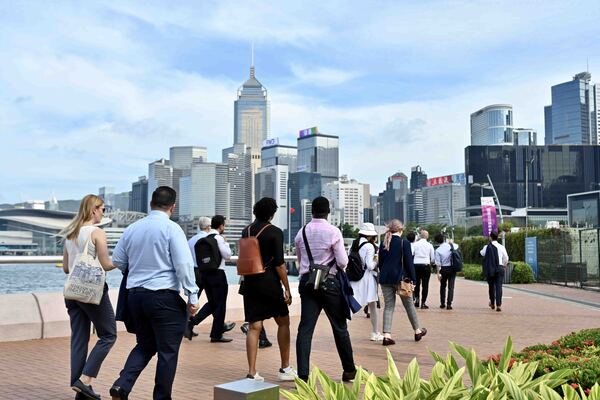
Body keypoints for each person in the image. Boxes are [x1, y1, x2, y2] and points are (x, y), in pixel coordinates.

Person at [109, 186, 200, 400]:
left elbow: (119, 261)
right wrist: (192, 295)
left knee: (145, 344)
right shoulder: (172, 229)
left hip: (135, 297)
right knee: (168, 352)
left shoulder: (132, 228)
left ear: (151, 203)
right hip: (163, 297)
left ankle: (122, 385)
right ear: (172, 206)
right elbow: (183, 265)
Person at [295, 196, 357, 382]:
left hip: (307, 283)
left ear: (312, 211)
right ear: (328, 211)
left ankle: (303, 374)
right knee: (339, 327)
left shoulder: (302, 232)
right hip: (330, 283)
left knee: (305, 329)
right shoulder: (333, 231)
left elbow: (300, 260)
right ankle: (349, 370)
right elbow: (343, 262)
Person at [61, 194, 117, 400]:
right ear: (94, 209)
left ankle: (80, 391)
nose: (104, 212)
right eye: (103, 209)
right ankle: (84, 381)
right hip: (92, 291)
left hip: (72, 293)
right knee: (109, 335)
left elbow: (67, 268)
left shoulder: (70, 233)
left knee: (79, 339)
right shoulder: (97, 232)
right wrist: (123, 260)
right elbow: (107, 265)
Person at [241, 197, 296, 382]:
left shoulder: (246, 230)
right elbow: (280, 264)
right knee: (283, 322)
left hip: (249, 283)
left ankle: (252, 372)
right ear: (272, 213)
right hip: (269, 283)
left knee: (254, 327)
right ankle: (285, 367)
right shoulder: (275, 232)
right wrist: (287, 288)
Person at [184, 216, 235, 341]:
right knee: (220, 305)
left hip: (205, 274)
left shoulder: (204, 239)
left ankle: (193, 322)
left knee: (213, 303)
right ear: (221, 226)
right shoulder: (218, 238)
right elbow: (227, 255)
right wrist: (226, 243)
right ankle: (215, 335)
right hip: (218, 274)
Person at [378, 219, 427, 346]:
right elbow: (409, 263)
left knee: (389, 306)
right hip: (401, 279)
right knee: (409, 305)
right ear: (400, 230)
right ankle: (417, 331)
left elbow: (380, 263)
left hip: (385, 279)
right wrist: (413, 279)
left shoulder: (384, 243)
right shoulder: (404, 243)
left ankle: (387, 336)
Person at [348, 222, 382, 341]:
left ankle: (343, 330)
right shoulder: (369, 246)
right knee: (372, 305)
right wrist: (376, 260)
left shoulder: (354, 244)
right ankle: (374, 332)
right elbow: (370, 266)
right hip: (366, 279)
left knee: (351, 304)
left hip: (355, 278)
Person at [480, 231, 509, 312]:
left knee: (491, 286)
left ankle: (492, 303)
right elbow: (506, 258)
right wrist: (504, 265)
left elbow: (481, 253)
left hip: (490, 268)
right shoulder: (501, 247)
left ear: (490, 237)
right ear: (497, 237)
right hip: (500, 268)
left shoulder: (487, 247)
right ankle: (499, 304)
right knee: (499, 286)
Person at [412, 230, 435, 309]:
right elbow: (433, 258)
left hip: (416, 265)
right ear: (427, 236)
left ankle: (417, 301)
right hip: (425, 265)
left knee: (416, 284)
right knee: (425, 285)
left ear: (420, 236)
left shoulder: (415, 244)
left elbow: (412, 254)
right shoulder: (429, 245)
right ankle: (423, 303)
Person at [434, 233, 458, 310]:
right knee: (451, 287)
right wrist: (451, 242)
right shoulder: (452, 246)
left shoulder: (438, 250)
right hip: (452, 268)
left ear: (437, 241)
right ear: (444, 239)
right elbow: (457, 246)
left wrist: (438, 273)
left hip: (443, 269)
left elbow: (438, 264)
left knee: (443, 286)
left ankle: (442, 303)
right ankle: (449, 304)